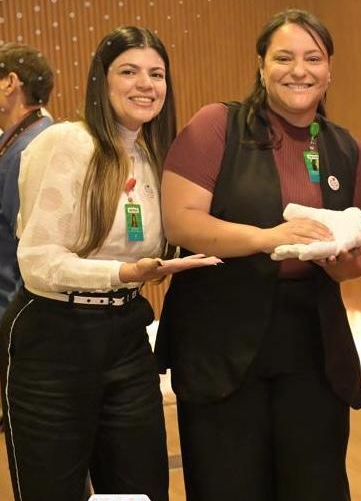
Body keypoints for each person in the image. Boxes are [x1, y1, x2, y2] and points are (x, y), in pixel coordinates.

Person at [157, 8, 361, 500]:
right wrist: (267, 237)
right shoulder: (219, 125)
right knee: (227, 482)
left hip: (312, 340)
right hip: (222, 334)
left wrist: (345, 261)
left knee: (314, 483)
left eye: (313, 58)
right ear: (260, 66)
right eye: (284, 57)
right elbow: (183, 222)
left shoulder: (346, 149)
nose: (299, 70)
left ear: (329, 69)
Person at [0, 26, 219, 501]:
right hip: (53, 342)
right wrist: (122, 273)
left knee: (136, 492)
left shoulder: (152, 155)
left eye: (156, 74)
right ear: (102, 80)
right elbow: (37, 262)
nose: (146, 84)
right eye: (129, 71)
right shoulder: (67, 143)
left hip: (126, 338)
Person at [0, 43, 54, 319]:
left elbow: (25, 244)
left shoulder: (33, 147)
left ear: (10, 83)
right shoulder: (23, 140)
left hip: (14, 307)